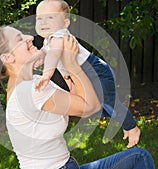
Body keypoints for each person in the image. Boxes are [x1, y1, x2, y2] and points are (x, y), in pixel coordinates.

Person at [0, 25, 155, 169]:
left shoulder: (35, 82)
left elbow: (81, 103)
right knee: (139, 158)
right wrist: (72, 64)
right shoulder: (30, 91)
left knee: (138, 157)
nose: (29, 38)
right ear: (8, 58)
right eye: (19, 38)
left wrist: (63, 64)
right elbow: (90, 106)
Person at [34, 0, 140, 148]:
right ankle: (123, 121)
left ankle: (132, 127)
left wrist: (46, 75)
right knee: (98, 108)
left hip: (96, 71)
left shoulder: (58, 36)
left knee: (108, 102)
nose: (43, 21)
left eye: (50, 17)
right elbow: (44, 54)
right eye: (39, 18)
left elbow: (52, 56)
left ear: (65, 23)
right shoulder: (49, 41)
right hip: (87, 72)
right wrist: (33, 61)